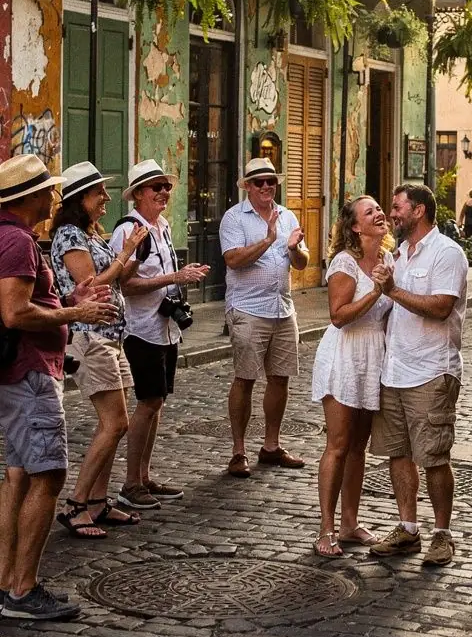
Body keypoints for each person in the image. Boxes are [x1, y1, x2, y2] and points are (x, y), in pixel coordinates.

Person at [0, 155, 117, 621]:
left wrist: (68, 298)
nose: (54, 195)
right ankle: (23, 590)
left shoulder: (13, 237)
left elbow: (29, 302)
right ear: (27, 197)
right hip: (29, 372)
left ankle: (7, 582)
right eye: (48, 189)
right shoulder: (17, 241)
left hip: (22, 371)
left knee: (19, 476)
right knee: (47, 475)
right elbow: (15, 313)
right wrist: (76, 313)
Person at [368, 183, 469, 568]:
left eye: (398, 207)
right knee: (398, 453)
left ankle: (442, 534)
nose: (392, 214)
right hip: (395, 369)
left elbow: (441, 307)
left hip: (431, 370)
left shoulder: (447, 253)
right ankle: (407, 529)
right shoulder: (398, 254)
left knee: (434, 457)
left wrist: (392, 291)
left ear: (420, 210)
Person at [50, 161, 149, 538]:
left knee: (116, 425)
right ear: (80, 199)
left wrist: (133, 255)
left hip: (109, 335)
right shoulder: (69, 236)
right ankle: (76, 504)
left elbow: (117, 279)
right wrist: (124, 253)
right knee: (115, 423)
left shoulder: (88, 233)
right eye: (99, 193)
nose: (107, 197)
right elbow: (90, 285)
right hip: (88, 337)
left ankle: (97, 501)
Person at [110, 160, 209, 509]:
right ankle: (130, 483)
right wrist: (174, 278)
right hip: (142, 329)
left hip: (165, 328)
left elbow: (164, 275)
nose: (164, 192)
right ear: (138, 194)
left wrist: (182, 274)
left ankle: (144, 475)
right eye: (157, 187)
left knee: (158, 402)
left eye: (166, 186)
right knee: (148, 402)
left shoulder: (162, 226)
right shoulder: (129, 231)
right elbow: (126, 285)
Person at [310, 196, 393, 556]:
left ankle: (349, 523)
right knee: (338, 445)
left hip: (374, 355)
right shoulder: (344, 262)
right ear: (356, 227)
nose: (379, 213)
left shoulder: (388, 259)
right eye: (369, 211)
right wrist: (376, 291)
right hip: (345, 354)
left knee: (359, 447)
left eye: (379, 208)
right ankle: (326, 529)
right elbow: (338, 315)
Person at [219, 158, 309, 478]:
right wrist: (268, 240)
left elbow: (301, 262)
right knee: (245, 379)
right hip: (247, 309)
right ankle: (238, 451)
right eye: (259, 182)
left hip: (282, 308)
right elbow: (233, 260)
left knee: (280, 378)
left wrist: (294, 249)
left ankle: (271, 446)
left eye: (272, 181)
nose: (267, 186)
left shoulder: (287, 215)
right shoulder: (234, 218)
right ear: (247, 186)